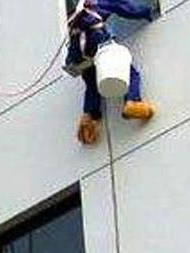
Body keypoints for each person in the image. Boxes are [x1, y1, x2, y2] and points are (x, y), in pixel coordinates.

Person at [65, 0, 156, 145]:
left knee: (92, 85)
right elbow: (127, 8)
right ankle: (132, 101)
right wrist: (148, 12)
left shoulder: (79, 10)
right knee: (129, 72)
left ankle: (89, 117)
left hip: (79, 54)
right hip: (97, 42)